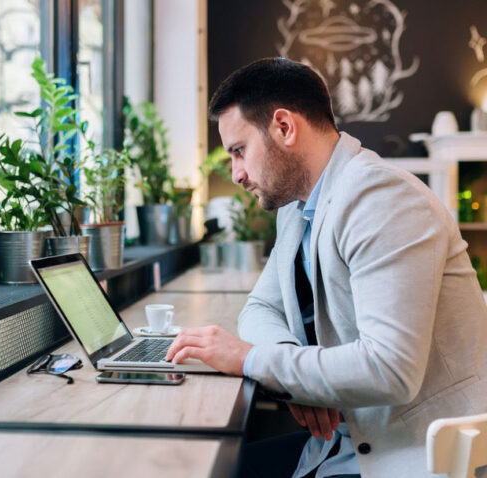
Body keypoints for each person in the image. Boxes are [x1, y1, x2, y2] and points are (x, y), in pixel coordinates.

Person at [165, 57, 487, 477]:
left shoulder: (381, 198)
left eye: (239, 151)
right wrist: (289, 374)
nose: (236, 173)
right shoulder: (298, 207)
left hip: (413, 456)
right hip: (345, 441)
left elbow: (389, 370)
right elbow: (260, 308)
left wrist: (252, 361)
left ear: (284, 127)